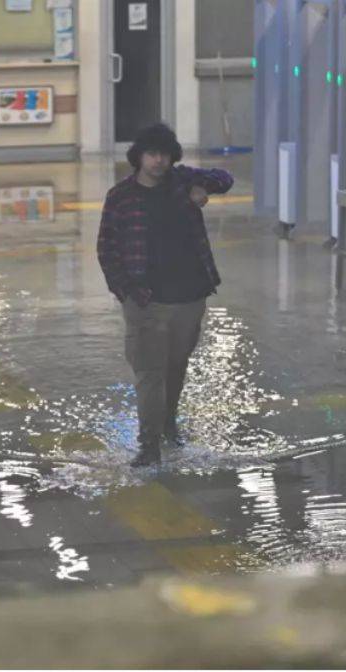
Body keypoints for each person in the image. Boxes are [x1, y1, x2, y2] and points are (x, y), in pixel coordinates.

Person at [96, 123, 234, 467]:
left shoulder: (182, 180)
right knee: (149, 372)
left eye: (165, 155)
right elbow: (107, 248)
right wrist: (125, 291)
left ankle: (169, 422)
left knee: (176, 367)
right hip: (145, 300)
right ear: (139, 157)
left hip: (189, 295)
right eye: (152, 154)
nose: (159, 161)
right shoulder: (121, 197)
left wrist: (202, 186)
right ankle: (149, 444)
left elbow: (224, 178)